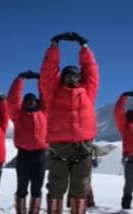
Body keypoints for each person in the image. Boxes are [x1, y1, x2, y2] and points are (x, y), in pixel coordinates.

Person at [39, 32, 99, 214]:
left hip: (83, 147)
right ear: (61, 78)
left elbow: (91, 70)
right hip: (60, 147)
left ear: (80, 78)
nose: (71, 78)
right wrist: (54, 46)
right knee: (56, 186)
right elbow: (48, 72)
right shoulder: (53, 94)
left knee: (81, 187)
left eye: (75, 76)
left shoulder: (88, 91)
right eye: (67, 75)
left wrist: (84, 47)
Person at [7, 70, 48, 214]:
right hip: (23, 155)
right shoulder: (18, 115)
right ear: (23, 103)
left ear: (37, 102)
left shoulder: (44, 112)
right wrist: (20, 80)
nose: (29, 102)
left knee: (37, 188)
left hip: (40, 156)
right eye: (26, 100)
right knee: (22, 187)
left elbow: (46, 95)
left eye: (32, 100)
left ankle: (34, 212)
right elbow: (13, 100)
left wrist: (40, 80)